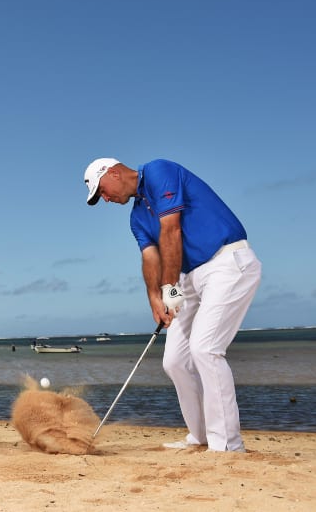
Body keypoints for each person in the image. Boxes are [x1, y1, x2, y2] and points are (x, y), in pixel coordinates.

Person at [83, 157, 262, 452]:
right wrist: (156, 298)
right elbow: (151, 256)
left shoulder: (158, 171)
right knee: (175, 361)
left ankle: (227, 446)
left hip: (227, 262)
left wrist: (169, 290)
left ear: (113, 173)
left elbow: (171, 230)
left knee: (205, 349)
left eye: (102, 191)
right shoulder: (136, 218)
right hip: (188, 277)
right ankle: (200, 436)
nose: (105, 199)